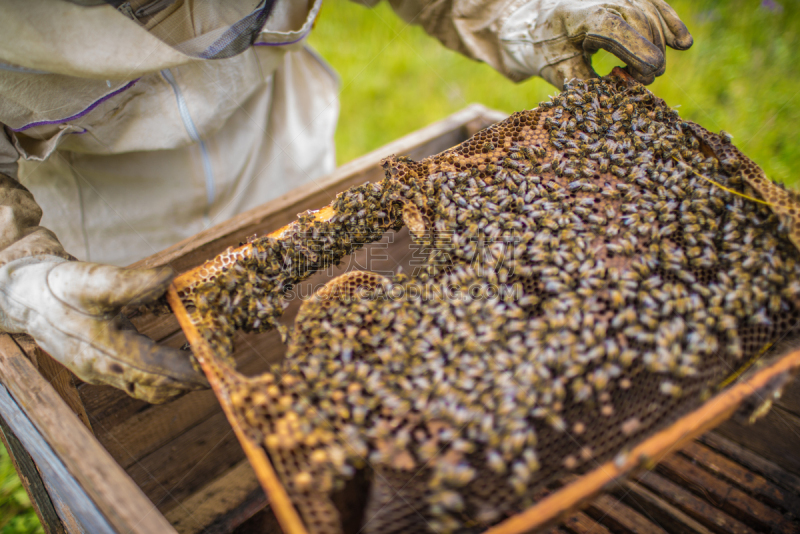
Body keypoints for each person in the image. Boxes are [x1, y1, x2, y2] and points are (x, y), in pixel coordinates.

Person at [0, 0, 692, 403]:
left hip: (281, 142)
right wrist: (14, 265)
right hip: (97, 225)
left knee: (322, 327)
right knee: (164, 404)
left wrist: (517, 11)